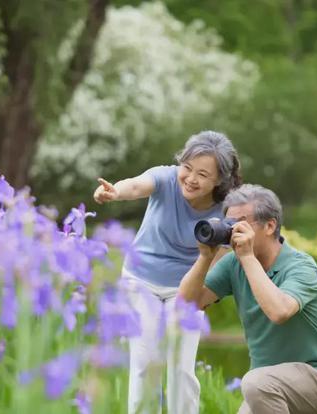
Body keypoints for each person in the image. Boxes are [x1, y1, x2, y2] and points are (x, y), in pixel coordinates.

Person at [93, 131, 241, 414]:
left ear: (219, 180)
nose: (190, 178)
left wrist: (204, 296)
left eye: (202, 174)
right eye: (187, 167)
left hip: (186, 288)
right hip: (141, 280)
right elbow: (136, 185)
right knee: (145, 361)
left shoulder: (227, 208)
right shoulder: (166, 177)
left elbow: (218, 263)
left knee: (181, 366)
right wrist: (115, 191)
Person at [179, 184, 317, 413]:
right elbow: (187, 303)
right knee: (257, 383)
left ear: (270, 225)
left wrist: (248, 257)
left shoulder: (301, 266)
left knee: (255, 382)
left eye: (241, 221)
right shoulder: (233, 264)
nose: (232, 230)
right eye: (229, 223)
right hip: (265, 385)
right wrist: (205, 257)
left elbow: (279, 312)